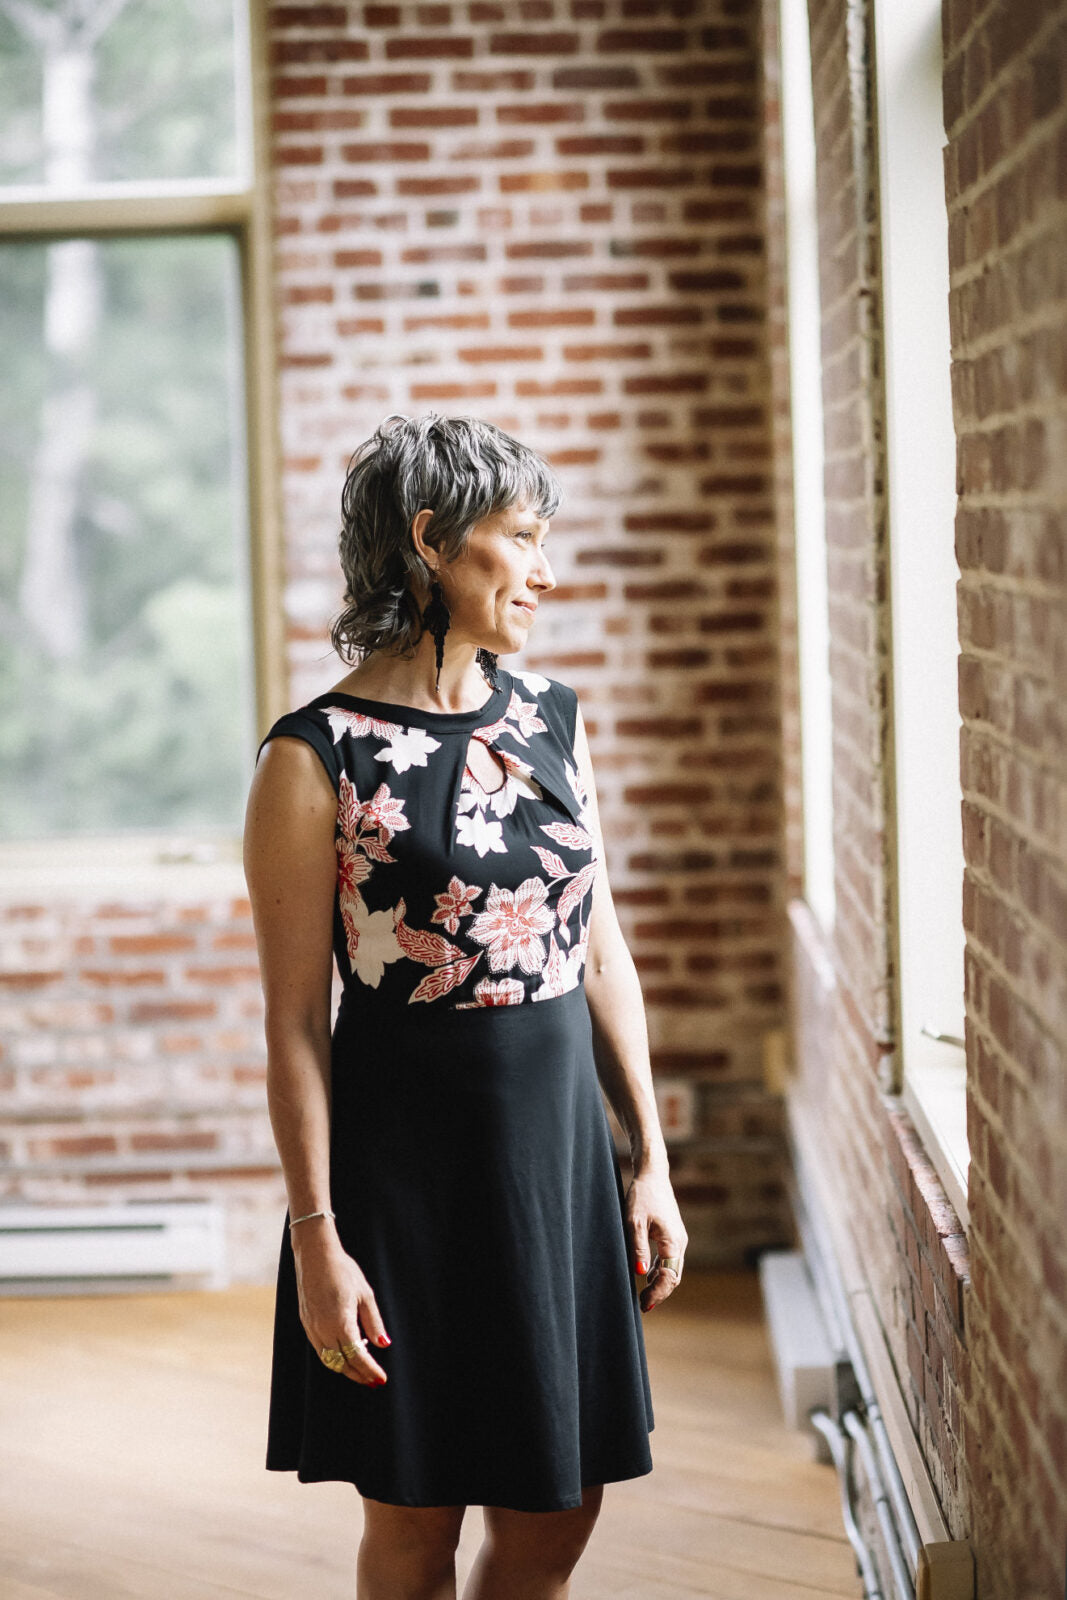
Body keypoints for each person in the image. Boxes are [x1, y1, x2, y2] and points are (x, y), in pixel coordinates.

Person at [243, 413, 688, 1600]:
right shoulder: (314, 757)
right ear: (431, 541)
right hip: (403, 1176)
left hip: (557, 1161)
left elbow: (599, 947)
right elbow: (292, 1023)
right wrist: (316, 1239)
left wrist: (646, 1159)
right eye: (522, 539)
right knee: (415, 1517)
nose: (546, 572)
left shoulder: (551, 719)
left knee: (559, 1507)